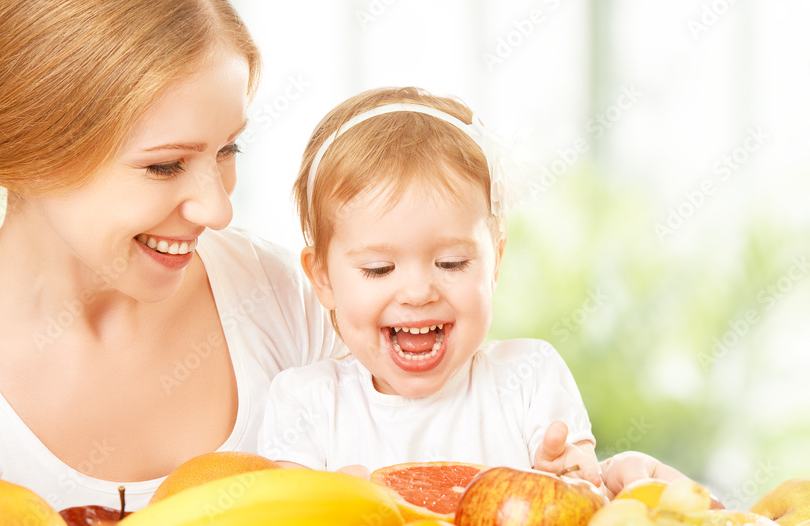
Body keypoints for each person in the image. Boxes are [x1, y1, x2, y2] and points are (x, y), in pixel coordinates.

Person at [0, 0, 343, 526]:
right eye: (164, 165)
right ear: (24, 156)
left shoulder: (283, 296)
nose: (217, 210)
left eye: (227, 149)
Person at [257, 87, 602, 485]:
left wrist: (570, 475)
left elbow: (585, 489)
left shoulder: (528, 379)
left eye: (451, 263)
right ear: (323, 278)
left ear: (495, 263)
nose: (419, 292)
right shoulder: (306, 402)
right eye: (379, 268)